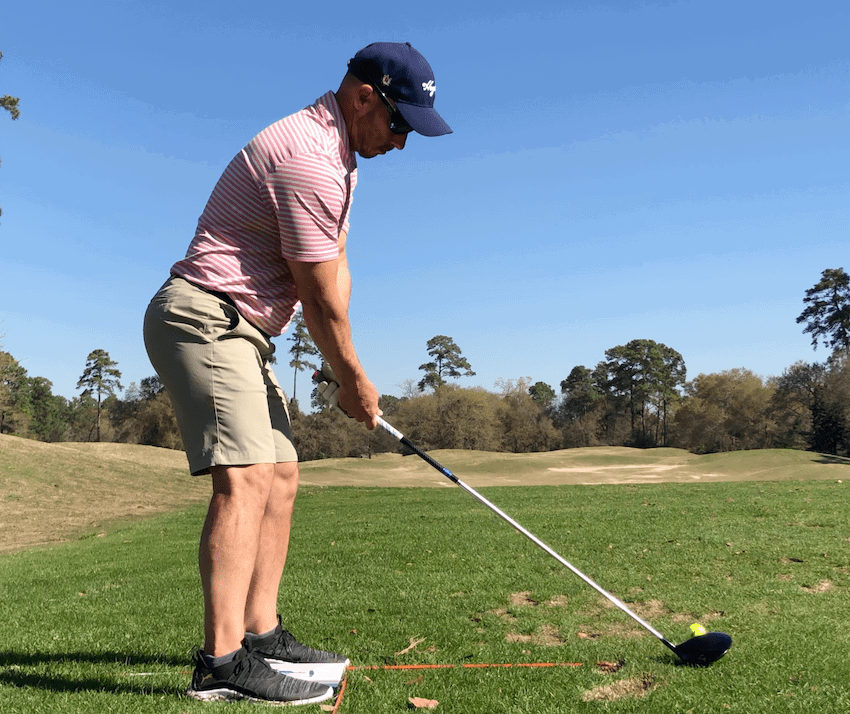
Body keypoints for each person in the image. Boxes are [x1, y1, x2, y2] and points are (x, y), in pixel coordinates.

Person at [143, 42, 451, 705]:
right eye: (400, 125)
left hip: (243, 331)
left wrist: (349, 368)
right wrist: (354, 380)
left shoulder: (343, 161)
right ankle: (221, 663)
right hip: (204, 317)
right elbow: (316, 300)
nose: (402, 144)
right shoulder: (309, 157)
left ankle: (261, 633)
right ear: (365, 96)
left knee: (281, 475)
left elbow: (334, 269)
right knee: (246, 478)